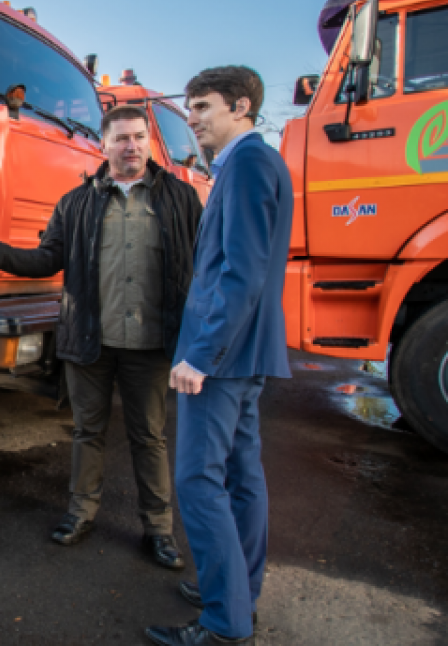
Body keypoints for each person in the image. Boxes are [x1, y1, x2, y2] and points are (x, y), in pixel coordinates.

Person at [0, 105, 202, 570]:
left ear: (148, 142)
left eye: (138, 138)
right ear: (103, 145)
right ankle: (81, 513)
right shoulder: (76, 202)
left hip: (151, 344)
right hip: (92, 340)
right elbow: (48, 258)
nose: (131, 146)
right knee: (88, 431)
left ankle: (159, 530)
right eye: (121, 139)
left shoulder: (180, 198)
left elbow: (205, 260)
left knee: (149, 437)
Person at [145, 67, 293, 646]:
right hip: (244, 352)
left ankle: (226, 623)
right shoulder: (251, 164)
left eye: (203, 106)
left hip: (222, 355)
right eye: (190, 108)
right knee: (240, 475)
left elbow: (241, 271)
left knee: (198, 481)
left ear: (241, 107)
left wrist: (200, 354)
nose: (192, 118)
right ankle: (235, 590)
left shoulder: (248, 164)